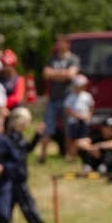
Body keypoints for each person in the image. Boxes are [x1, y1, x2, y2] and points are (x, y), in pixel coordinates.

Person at [6, 107, 53, 223]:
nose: (28, 124)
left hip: (19, 176)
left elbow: (27, 149)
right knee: (27, 203)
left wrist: (38, 134)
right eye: (27, 120)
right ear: (19, 121)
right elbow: (16, 157)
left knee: (19, 204)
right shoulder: (11, 137)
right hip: (15, 177)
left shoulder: (18, 135)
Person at [39, 34, 80, 163]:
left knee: (69, 128)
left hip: (68, 99)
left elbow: (71, 75)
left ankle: (69, 155)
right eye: (57, 43)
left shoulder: (73, 59)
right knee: (47, 127)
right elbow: (46, 74)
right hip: (53, 98)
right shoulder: (52, 59)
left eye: (61, 43)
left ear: (68, 44)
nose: (58, 45)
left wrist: (55, 74)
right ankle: (42, 156)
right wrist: (63, 73)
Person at [62, 74, 95, 160]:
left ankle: (84, 153)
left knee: (84, 138)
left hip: (84, 121)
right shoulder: (70, 96)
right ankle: (71, 154)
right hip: (73, 121)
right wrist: (75, 115)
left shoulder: (87, 96)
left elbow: (91, 107)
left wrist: (88, 115)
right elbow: (66, 109)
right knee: (72, 138)